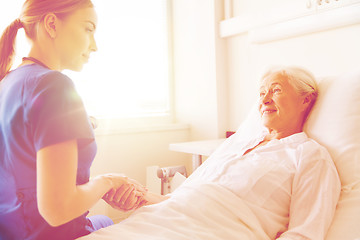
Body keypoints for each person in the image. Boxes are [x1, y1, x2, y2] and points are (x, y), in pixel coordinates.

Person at [81, 66, 341, 240]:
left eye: (276, 90)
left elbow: (305, 233)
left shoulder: (309, 156)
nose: (264, 100)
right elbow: (180, 199)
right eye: (261, 93)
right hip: (160, 221)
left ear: (305, 99)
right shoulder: (236, 144)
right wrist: (139, 197)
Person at [0, 1, 147, 239]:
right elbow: (57, 210)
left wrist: (98, 189)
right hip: (48, 234)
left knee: (106, 219)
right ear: (51, 24)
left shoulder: (8, 82)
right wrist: (107, 182)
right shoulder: (53, 86)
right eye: (88, 29)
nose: (95, 46)